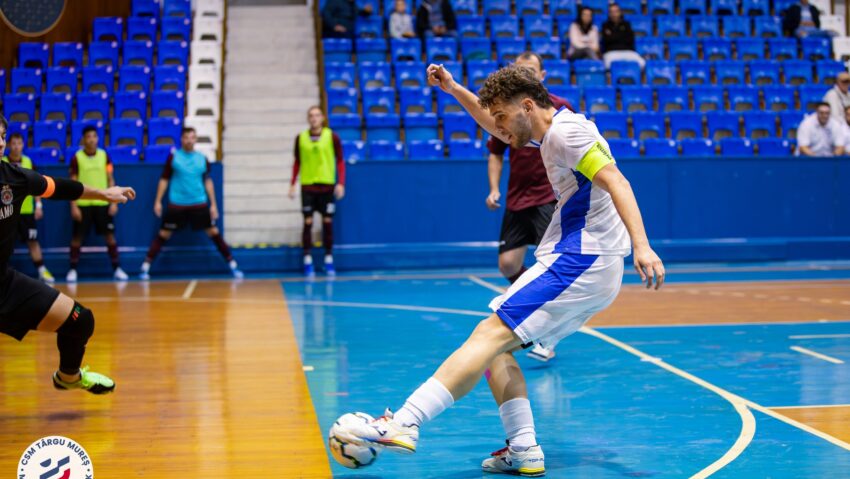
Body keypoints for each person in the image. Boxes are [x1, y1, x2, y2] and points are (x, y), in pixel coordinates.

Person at [341, 64, 665, 476]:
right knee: (498, 351)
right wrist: (455, 88)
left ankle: (404, 422)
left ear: (527, 106)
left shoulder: (569, 133)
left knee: (487, 334)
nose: (498, 129)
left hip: (581, 260)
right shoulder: (549, 132)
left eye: (503, 118)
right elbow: (494, 123)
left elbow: (618, 181)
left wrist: (643, 245)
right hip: (584, 261)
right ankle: (524, 449)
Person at [0, 114, 135, 394]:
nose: (0, 142)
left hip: (4, 285)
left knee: (79, 320)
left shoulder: (15, 179)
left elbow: (60, 187)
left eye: (1, 136)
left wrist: (103, 194)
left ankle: (68, 377)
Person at [485, 52, 573, 363]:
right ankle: (536, 313)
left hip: (548, 197)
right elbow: (495, 152)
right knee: (508, 265)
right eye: (520, 70)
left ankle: (547, 334)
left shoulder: (559, 107)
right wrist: (494, 188)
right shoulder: (507, 112)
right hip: (516, 197)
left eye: (531, 70)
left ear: (542, 74)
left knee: (549, 265)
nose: (525, 74)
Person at [140, 127, 243, 280]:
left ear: (195, 139)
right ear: (181, 139)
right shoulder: (173, 157)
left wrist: (213, 204)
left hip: (198, 204)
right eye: (186, 137)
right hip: (177, 204)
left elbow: (207, 181)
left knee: (213, 233)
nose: (189, 140)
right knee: (163, 234)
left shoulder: (202, 158)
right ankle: (145, 267)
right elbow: (164, 180)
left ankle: (232, 265)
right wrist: (158, 201)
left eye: (192, 137)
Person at [288, 106, 346, 277]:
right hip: (308, 186)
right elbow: (297, 162)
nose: (314, 118)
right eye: (311, 116)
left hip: (327, 185)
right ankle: (307, 260)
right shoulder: (301, 138)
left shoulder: (331, 136)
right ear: (308, 118)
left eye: (317, 115)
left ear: (322, 118)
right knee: (308, 222)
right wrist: (292, 183)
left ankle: (328, 259)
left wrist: (340, 183)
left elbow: (340, 161)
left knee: (327, 222)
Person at [67, 126, 128, 282]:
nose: (92, 139)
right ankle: (72, 270)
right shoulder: (76, 158)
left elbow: (110, 178)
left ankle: (117, 269)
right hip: (83, 204)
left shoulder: (104, 155)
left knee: (110, 237)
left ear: (98, 138)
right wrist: (73, 206)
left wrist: (114, 202)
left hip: (103, 203)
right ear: (83, 139)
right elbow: (72, 183)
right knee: (77, 238)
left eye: (94, 136)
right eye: (88, 136)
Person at [2, 133, 55, 283]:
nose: (16, 146)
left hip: (26, 211)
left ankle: (42, 270)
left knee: (33, 241)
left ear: (23, 145)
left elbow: (37, 187)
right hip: (6, 212)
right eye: (13, 143)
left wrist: (38, 205)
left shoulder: (28, 162)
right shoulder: (2, 163)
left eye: (19, 143)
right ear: (8, 145)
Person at [600, 3, 645, 69]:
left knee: (642, 63)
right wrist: (620, 36)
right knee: (607, 66)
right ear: (609, 13)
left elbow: (630, 39)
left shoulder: (627, 24)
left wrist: (613, 36)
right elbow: (606, 41)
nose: (614, 14)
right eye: (612, 12)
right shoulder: (605, 25)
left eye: (616, 11)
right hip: (611, 52)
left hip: (628, 51)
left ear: (620, 12)